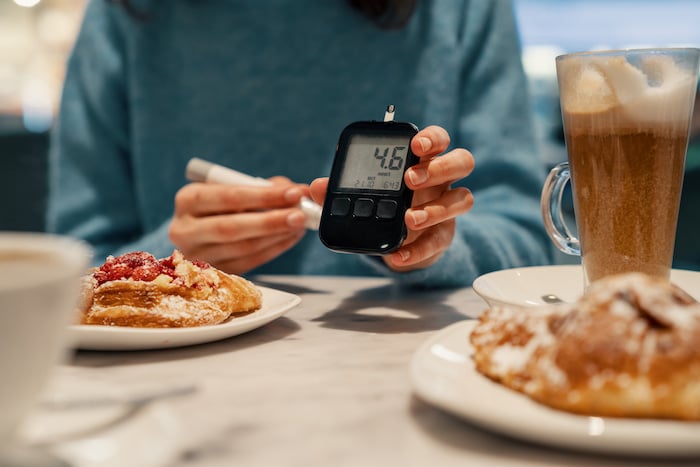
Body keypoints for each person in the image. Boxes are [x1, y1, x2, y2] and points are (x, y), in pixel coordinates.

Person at [47, 0, 551, 288]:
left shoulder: (461, 9)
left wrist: (435, 242)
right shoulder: (125, 15)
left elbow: (530, 243)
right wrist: (168, 262)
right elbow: (68, 271)